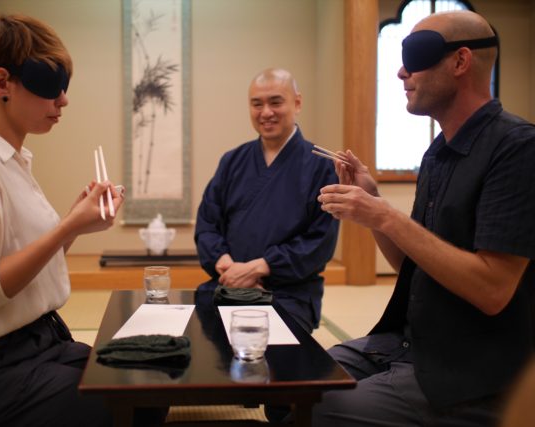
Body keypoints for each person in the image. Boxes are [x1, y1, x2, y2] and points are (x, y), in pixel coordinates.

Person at [0, 13, 142, 427]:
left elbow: (24, 263)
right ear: (2, 83)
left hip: (33, 343)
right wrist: (67, 226)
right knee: (123, 406)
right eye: (51, 84)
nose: (63, 100)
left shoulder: (10, 161)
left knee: (142, 384)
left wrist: (75, 223)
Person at [314, 10, 535, 426]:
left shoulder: (518, 149)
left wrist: (388, 217)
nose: (402, 72)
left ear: (460, 61)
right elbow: (414, 269)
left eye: (415, 55)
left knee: (317, 406)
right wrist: (374, 204)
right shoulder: (438, 153)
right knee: (292, 382)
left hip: (470, 369)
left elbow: (493, 290)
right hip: (409, 343)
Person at [194, 68, 339, 334]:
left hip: (288, 294)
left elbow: (320, 241)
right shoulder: (232, 161)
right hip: (227, 285)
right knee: (197, 345)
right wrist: (226, 265)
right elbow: (207, 224)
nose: (266, 112)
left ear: (297, 103)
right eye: (257, 104)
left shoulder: (321, 166)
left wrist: (259, 268)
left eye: (275, 102)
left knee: (271, 352)